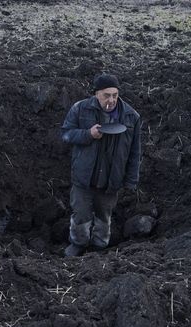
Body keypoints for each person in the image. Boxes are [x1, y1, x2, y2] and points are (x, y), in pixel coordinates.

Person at [60, 73, 142, 257]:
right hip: (84, 175)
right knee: (81, 214)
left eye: (115, 95)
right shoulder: (80, 109)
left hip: (111, 178)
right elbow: (66, 135)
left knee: (104, 215)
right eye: (107, 95)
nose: (111, 99)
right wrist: (88, 134)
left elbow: (135, 152)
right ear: (96, 93)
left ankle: (99, 247)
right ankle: (78, 243)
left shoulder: (131, 117)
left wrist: (130, 181)